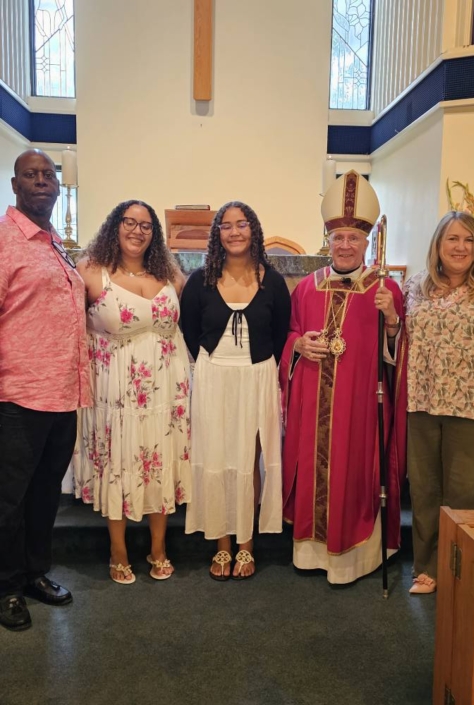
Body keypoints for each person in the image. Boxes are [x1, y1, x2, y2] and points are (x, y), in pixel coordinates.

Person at [280, 170, 407, 585]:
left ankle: (354, 559)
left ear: (367, 243)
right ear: (328, 240)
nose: (346, 245)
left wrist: (392, 320)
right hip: (313, 404)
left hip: (360, 407)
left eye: (354, 237)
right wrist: (299, 345)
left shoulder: (385, 289)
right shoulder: (306, 288)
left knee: (354, 475)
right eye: (339, 238)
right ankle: (311, 553)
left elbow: (398, 354)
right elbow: (291, 334)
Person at [73, 200, 191, 584]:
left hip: (165, 393)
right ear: (115, 226)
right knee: (119, 464)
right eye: (129, 222)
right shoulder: (91, 271)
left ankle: (158, 547)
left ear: (154, 233)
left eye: (146, 225)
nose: (137, 231)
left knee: (159, 462)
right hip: (117, 395)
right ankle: (118, 550)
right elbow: (72, 330)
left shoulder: (172, 276)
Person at [404, 211, 474, 594]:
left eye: (468, 239)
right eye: (452, 239)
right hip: (423, 404)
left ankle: (461, 570)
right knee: (425, 490)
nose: (460, 247)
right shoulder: (416, 286)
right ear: (438, 244)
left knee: (468, 493)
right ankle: (427, 567)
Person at [0, 149, 91, 631]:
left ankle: (35, 572)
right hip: (17, 394)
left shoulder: (54, 241)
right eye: (30, 175)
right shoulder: (4, 240)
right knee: (8, 499)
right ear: (15, 185)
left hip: (62, 392)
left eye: (48, 175)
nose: (41, 181)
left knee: (44, 494)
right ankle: (6, 587)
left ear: (57, 187)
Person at [180, 201, 291, 580]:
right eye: (226, 226)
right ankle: (222, 545)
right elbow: (190, 331)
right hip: (214, 376)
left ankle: (246, 544)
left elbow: (280, 334)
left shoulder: (273, 281)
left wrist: (253, 365)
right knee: (216, 457)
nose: (234, 232)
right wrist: (216, 364)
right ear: (217, 234)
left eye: (242, 224)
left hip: (256, 376)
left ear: (253, 230)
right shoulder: (200, 281)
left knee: (248, 460)